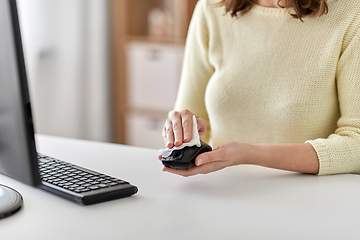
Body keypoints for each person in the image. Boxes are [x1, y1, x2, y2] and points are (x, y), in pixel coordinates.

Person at [159, 0, 360, 177]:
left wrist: (248, 154)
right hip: (224, 191)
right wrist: (182, 128)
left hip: (312, 201)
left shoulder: (351, 12)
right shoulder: (211, 8)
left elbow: (356, 142)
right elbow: (190, 115)